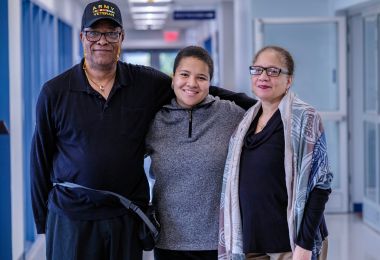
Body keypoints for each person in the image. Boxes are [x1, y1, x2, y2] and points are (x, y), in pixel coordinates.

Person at [30, 1, 253, 260]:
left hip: (125, 216)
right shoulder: (55, 91)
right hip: (72, 216)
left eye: (111, 33)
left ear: (121, 37)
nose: (102, 40)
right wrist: (42, 220)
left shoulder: (145, 82)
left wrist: (262, 107)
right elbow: (40, 157)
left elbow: (190, 86)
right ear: (82, 37)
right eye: (94, 33)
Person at [218, 46, 333, 260]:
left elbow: (321, 185)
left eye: (273, 71)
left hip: (290, 244)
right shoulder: (246, 121)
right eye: (258, 70)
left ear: (289, 80)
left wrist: (304, 247)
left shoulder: (304, 118)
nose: (263, 76)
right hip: (249, 243)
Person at [145, 46, 253, 260]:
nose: (192, 83)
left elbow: (266, 117)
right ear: (173, 77)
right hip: (168, 240)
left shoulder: (231, 114)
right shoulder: (154, 120)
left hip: (221, 240)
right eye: (184, 75)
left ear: (211, 82)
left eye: (201, 77)